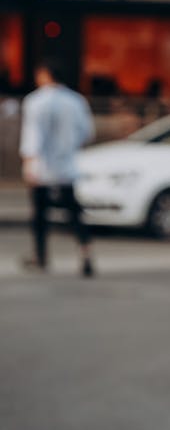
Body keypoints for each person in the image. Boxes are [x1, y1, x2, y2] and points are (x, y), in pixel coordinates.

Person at [19, 57, 96, 276]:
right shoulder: (76, 101)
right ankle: (85, 251)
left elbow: (32, 137)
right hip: (66, 166)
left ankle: (41, 256)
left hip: (42, 168)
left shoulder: (36, 101)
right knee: (74, 213)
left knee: (40, 214)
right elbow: (86, 132)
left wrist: (29, 163)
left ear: (44, 75)